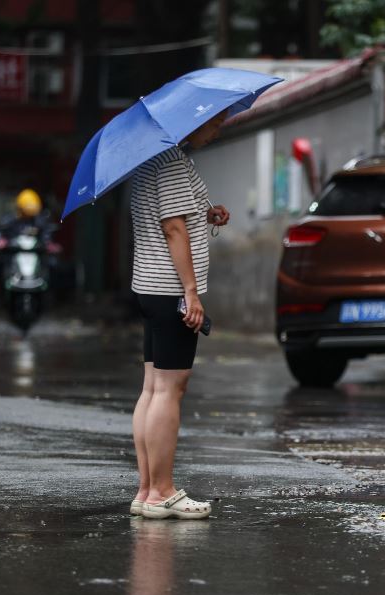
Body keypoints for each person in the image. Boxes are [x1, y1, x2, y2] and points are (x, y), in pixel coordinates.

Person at [128, 111, 230, 520]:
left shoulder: (150, 159)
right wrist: (190, 292)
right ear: (192, 122)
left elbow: (177, 214)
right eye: (215, 123)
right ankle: (162, 492)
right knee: (171, 390)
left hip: (148, 286)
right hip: (170, 290)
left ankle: (146, 490)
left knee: (153, 388)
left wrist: (207, 214)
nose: (217, 128)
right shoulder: (169, 161)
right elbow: (172, 227)